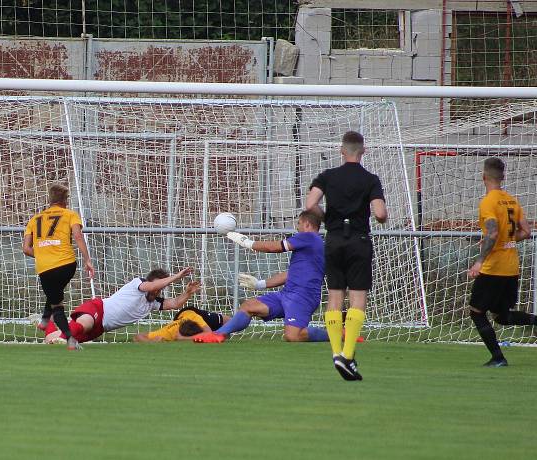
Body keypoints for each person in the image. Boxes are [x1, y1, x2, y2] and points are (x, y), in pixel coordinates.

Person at [305, 130, 388, 381]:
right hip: (358, 240)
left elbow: (310, 205)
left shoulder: (328, 176)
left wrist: (328, 216)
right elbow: (381, 213)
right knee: (358, 299)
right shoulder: (370, 179)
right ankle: (347, 355)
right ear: (363, 151)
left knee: (334, 298)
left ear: (342, 151)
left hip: (334, 239)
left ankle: (335, 353)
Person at [194, 210, 332, 344]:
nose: (297, 227)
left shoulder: (309, 237)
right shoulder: (312, 246)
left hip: (302, 297)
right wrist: (259, 284)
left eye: (299, 223)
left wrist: (247, 242)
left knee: (293, 336)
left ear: (307, 224)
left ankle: (335, 334)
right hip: (287, 294)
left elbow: (274, 247)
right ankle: (218, 335)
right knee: (249, 306)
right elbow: (290, 274)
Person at [467, 157, 536, 367]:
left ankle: (498, 357)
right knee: (501, 316)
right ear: (503, 177)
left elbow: (493, 232)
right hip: (512, 267)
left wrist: (479, 261)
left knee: (476, 312)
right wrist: (505, 240)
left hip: (493, 268)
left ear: (483, 177)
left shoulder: (488, 202)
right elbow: (527, 231)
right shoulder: (512, 200)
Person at [42, 268, 200, 345]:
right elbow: (151, 286)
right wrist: (176, 276)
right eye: (157, 286)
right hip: (98, 308)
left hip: (101, 328)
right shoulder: (138, 284)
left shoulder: (153, 303)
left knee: (51, 339)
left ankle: (45, 323)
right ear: (150, 282)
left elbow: (175, 304)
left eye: (161, 289)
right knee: (84, 325)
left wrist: (188, 293)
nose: (158, 290)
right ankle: (63, 337)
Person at [23, 183, 95, 351]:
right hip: (66, 265)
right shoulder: (70, 215)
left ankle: (47, 321)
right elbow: (77, 236)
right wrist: (88, 260)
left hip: (45, 268)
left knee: (56, 301)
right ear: (65, 200)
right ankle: (63, 334)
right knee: (56, 295)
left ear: (50, 199)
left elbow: (26, 249)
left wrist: (42, 254)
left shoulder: (34, 219)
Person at [133, 306, 229, 342]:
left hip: (193, 313)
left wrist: (183, 339)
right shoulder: (168, 333)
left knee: (229, 322)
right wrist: (152, 341)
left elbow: (209, 333)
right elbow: (137, 336)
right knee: (221, 334)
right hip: (183, 317)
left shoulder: (195, 318)